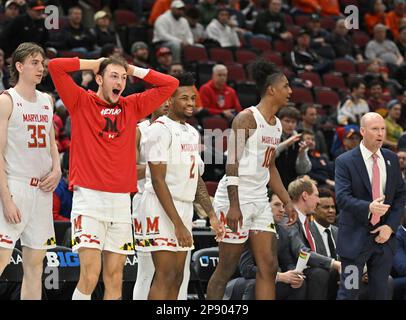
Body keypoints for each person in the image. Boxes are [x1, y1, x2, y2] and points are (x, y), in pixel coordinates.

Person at [48, 52, 179, 300]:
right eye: (113, 76)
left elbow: (170, 84)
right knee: (89, 275)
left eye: (122, 77)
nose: (119, 82)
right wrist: (93, 63)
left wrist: (134, 70)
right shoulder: (80, 101)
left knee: (115, 278)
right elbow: (55, 66)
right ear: (99, 79)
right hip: (89, 199)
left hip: (120, 202)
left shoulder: (131, 106)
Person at [206, 60, 297, 300]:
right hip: (236, 196)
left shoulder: (276, 125)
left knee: (268, 265)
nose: (290, 91)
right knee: (226, 267)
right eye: (286, 86)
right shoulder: (246, 118)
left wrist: (287, 201)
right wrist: (234, 206)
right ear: (271, 90)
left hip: (258, 197)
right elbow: (231, 163)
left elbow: (271, 167)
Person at [134, 72, 225, 300]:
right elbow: (157, 180)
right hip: (159, 206)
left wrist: (211, 214)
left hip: (183, 207)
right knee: (163, 276)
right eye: (184, 98)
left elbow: (196, 179)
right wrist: (178, 224)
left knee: (177, 277)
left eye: (193, 98)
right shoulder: (159, 129)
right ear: (169, 100)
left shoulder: (192, 132)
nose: (191, 103)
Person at [0, 42, 61, 299]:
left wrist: (57, 170)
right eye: (35, 62)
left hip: (42, 191)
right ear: (19, 65)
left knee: (35, 267)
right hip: (15, 186)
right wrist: (6, 199)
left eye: (42, 63)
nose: (41, 68)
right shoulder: (6, 100)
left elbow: (51, 143)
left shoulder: (47, 100)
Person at [335, 112, 406, 300]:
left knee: (381, 294)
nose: (380, 133)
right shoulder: (345, 161)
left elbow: (400, 196)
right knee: (348, 292)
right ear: (363, 131)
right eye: (375, 129)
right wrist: (368, 207)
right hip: (353, 241)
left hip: (383, 240)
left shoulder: (391, 159)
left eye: (382, 129)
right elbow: (342, 198)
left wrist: (390, 227)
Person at [238, 192, 306, 300]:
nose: (282, 210)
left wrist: (295, 275)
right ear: (265, 205)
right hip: (244, 279)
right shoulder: (249, 230)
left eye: (283, 206)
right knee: (258, 284)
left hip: (270, 277)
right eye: (277, 205)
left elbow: (287, 262)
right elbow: (246, 269)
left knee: (298, 285)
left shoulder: (282, 231)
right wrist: (280, 276)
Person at [287, 178, 341, 299]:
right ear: (305, 196)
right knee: (319, 274)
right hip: (288, 272)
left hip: (312, 271)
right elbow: (301, 251)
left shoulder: (303, 221)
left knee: (351, 273)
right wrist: (335, 263)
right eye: (316, 196)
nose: (317, 201)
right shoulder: (290, 220)